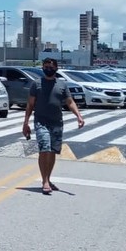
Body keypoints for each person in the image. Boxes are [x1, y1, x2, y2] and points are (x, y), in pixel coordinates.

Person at [21, 58, 84, 195]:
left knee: (53, 151)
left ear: (56, 68)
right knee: (44, 148)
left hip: (56, 122)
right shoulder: (36, 84)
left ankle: (48, 179)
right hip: (41, 121)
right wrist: (25, 123)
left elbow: (70, 102)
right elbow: (30, 105)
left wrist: (78, 116)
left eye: (50, 67)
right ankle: (44, 181)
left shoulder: (62, 85)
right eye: (45, 67)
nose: (47, 69)